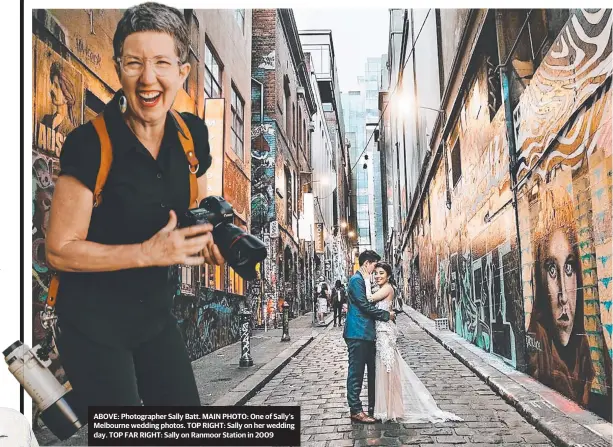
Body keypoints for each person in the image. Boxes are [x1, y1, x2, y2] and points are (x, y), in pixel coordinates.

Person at [45, 2, 225, 420]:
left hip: (155, 319)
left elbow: (190, 209)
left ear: (183, 71)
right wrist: (146, 253)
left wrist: (206, 238)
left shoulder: (191, 136)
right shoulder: (90, 144)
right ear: (117, 67)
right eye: (134, 63)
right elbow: (59, 250)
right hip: (92, 325)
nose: (148, 79)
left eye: (162, 62)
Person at [527, 186, 606, 408]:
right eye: (552, 270)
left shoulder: (587, 363)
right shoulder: (538, 360)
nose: (563, 296)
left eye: (569, 269)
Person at [368, 262, 462, 423]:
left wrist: (361, 282)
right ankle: (391, 408)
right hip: (382, 330)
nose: (377, 276)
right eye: (375, 273)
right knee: (387, 368)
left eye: (381, 273)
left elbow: (369, 299)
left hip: (385, 332)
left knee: (388, 368)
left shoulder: (387, 288)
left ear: (389, 275)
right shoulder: (383, 288)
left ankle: (390, 409)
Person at [343, 250, 395, 424]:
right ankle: (356, 410)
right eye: (374, 265)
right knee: (356, 373)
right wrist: (387, 315)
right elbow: (364, 306)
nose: (375, 270)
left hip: (367, 334)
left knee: (373, 372)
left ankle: (374, 407)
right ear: (367, 263)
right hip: (357, 333)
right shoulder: (356, 280)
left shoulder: (363, 280)